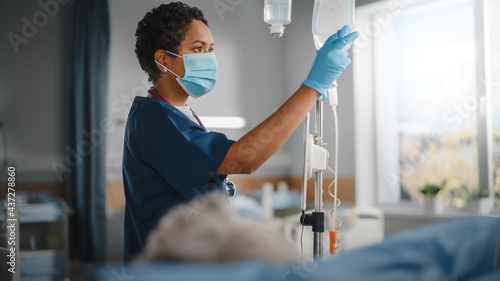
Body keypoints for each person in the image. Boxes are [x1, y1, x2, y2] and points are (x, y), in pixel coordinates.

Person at [122, 1, 358, 261]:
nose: (208, 57)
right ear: (163, 58)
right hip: (170, 267)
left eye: (211, 49)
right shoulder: (155, 118)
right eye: (198, 48)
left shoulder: (177, 113)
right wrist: (312, 87)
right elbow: (242, 159)